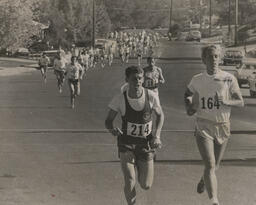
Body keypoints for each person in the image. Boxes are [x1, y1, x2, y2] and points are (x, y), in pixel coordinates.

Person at [184, 45, 244, 205]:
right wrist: (189, 107)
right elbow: (187, 94)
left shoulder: (229, 78)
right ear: (204, 60)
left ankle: (205, 179)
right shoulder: (197, 79)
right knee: (210, 164)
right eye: (210, 57)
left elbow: (240, 101)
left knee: (214, 166)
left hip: (223, 125)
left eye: (217, 56)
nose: (214, 60)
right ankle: (214, 201)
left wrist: (226, 101)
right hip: (203, 125)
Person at [105, 66, 164, 205]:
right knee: (130, 179)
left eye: (140, 78)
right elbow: (108, 121)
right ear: (127, 80)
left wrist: (157, 135)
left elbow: (160, 116)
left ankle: (140, 163)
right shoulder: (120, 99)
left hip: (146, 143)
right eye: (134, 79)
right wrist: (112, 129)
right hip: (127, 143)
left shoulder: (151, 96)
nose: (137, 81)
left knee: (146, 185)